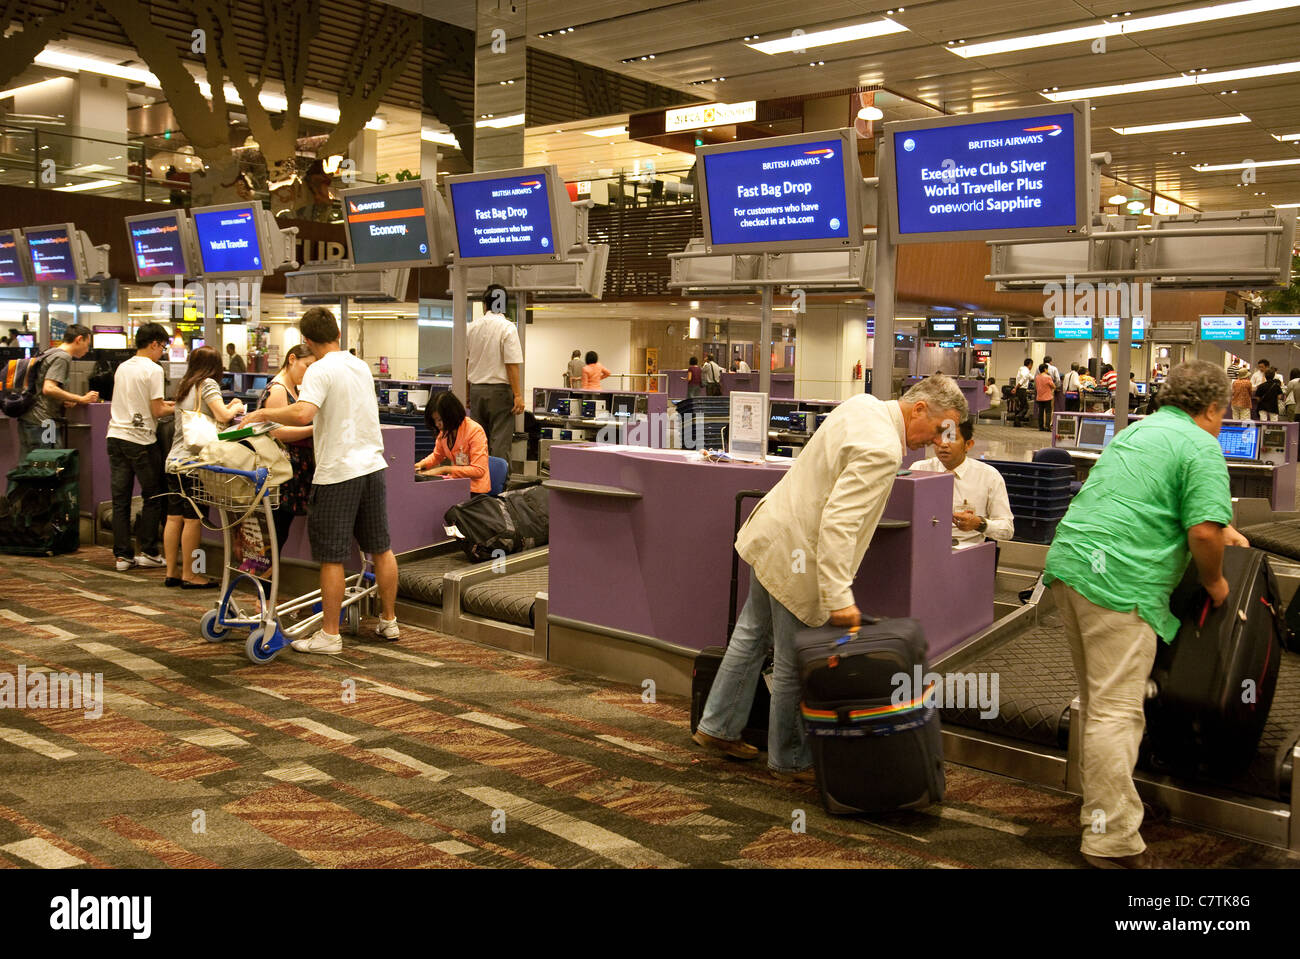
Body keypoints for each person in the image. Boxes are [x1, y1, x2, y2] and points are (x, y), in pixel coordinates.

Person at [692, 375, 969, 780]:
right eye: (941, 426)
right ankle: (789, 759)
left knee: (750, 637)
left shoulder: (863, 405)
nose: (937, 439)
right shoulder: (884, 449)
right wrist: (839, 595)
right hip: (798, 555)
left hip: (773, 534)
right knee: (792, 663)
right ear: (920, 408)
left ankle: (717, 726)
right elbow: (840, 523)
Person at [1044, 360, 1249, 869]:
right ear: (1213, 407)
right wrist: (1217, 582)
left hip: (1070, 567)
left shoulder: (1138, 433)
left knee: (1096, 704)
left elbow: (1147, 501)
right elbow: (1201, 531)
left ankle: (1103, 810)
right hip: (1119, 584)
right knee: (1117, 711)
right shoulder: (1202, 445)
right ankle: (1110, 841)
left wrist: (1224, 531)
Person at [241, 308, 400, 653]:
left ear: (307, 342)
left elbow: (303, 412)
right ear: (338, 333)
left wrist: (263, 412)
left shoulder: (319, 369)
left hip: (338, 473)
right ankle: (389, 621)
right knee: (381, 548)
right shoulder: (360, 366)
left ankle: (330, 635)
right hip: (373, 465)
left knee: (331, 556)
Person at [163, 346, 244, 589]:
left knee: (173, 518)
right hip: (192, 464)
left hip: (173, 462)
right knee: (193, 520)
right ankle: (190, 574)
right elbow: (222, 415)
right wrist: (237, 407)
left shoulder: (185, 385)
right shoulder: (208, 384)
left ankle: (171, 572)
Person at [106, 323, 174, 572]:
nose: (162, 352)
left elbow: (138, 401)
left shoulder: (123, 367)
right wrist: (181, 406)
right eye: (163, 347)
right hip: (142, 441)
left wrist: (163, 404)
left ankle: (122, 556)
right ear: (154, 343)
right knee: (153, 497)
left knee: (120, 500)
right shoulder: (153, 370)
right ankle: (148, 551)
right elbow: (157, 411)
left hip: (115, 436)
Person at [911, 418, 1014, 549]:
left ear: (968, 444)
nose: (943, 444)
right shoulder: (919, 469)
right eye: (939, 438)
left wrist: (980, 524)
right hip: (925, 546)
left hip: (966, 551)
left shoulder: (988, 476)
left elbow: (1007, 529)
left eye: (952, 438)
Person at [258, 344, 315, 551]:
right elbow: (277, 432)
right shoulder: (278, 389)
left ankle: (268, 580)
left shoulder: (293, 388)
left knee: (279, 531)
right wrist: (313, 430)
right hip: (282, 470)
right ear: (292, 359)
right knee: (275, 532)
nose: (308, 372)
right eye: (307, 365)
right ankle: (265, 581)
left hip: (293, 469)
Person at [18, 324, 97, 459]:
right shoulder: (62, 357)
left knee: (30, 469)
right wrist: (80, 399)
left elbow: (42, 387)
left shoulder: (50, 352)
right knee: (47, 467)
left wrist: (64, 399)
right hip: (43, 421)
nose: (87, 349)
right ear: (79, 339)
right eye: (87, 344)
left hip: (30, 419)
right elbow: (49, 388)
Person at [466, 284, 524, 463]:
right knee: (500, 442)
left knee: (478, 442)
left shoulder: (471, 327)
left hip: (476, 391)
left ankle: (478, 483)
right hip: (500, 393)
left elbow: (466, 361)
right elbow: (511, 364)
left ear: (485, 305)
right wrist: (518, 395)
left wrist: (467, 392)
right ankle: (498, 486)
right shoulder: (507, 328)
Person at [416, 391, 490, 494]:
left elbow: (479, 470)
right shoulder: (445, 432)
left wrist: (445, 469)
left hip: (474, 491)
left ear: (451, 415)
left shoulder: (475, 431)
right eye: (434, 421)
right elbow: (437, 456)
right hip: (455, 485)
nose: (437, 424)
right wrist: (419, 465)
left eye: (440, 420)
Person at [1035, 362, 1055, 431]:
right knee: (1048, 412)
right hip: (1047, 397)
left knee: (1040, 412)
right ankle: (1047, 427)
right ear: (1045, 369)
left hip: (1039, 397)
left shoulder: (1037, 377)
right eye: (1047, 369)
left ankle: (1040, 427)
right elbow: (1053, 386)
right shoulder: (1048, 377)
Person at [1014, 358, 1033, 426]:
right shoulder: (1026, 371)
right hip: (1021, 389)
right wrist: (1016, 387)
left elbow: (1031, 377)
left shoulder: (1022, 369)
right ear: (1030, 364)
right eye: (1031, 365)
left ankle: (1017, 423)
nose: (1031, 367)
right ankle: (1017, 417)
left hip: (1019, 390)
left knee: (1021, 406)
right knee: (1026, 407)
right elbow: (1023, 379)